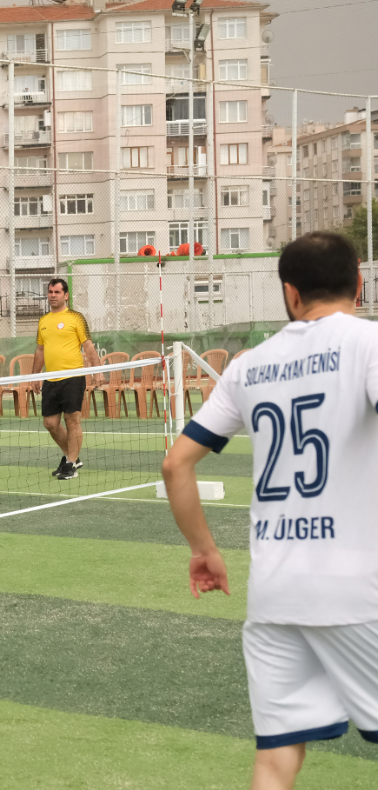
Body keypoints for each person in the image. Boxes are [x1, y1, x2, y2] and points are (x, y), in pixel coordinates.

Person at [161, 232, 378, 790]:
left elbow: (176, 466)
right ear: (360, 283)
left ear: (289, 293)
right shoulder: (368, 344)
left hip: (275, 594)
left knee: (277, 760)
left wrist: (205, 551)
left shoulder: (248, 367)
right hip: (359, 589)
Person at [31, 278, 103, 480]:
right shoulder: (43, 321)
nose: (52, 295)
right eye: (50, 292)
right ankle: (72, 456)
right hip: (50, 379)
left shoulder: (76, 318)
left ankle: (70, 464)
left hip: (73, 377)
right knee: (50, 423)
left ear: (66, 295)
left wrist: (98, 371)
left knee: (72, 420)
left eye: (57, 292)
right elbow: (40, 350)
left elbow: (88, 346)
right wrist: (35, 376)